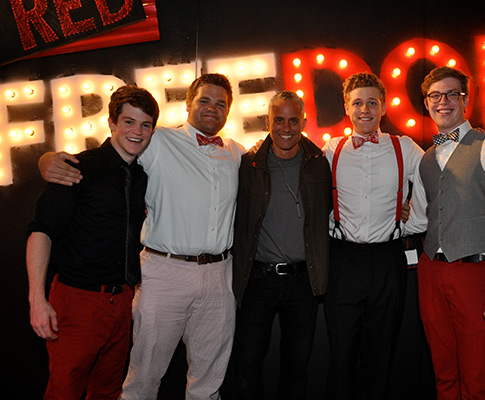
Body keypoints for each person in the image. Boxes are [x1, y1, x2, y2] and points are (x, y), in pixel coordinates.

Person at [38, 73, 245, 400]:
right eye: (204, 100)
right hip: (165, 272)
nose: (212, 108)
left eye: (221, 104)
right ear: (188, 103)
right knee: (143, 377)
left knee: (209, 380)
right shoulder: (157, 140)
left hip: (220, 274)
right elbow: (107, 155)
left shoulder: (236, 153)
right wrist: (47, 159)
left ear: (229, 111)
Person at [26, 85, 159, 399]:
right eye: (129, 122)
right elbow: (41, 231)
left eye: (145, 125)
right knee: (64, 391)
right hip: (77, 301)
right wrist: (36, 299)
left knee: (108, 391)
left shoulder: (143, 176)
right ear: (111, 123)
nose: (137, 131)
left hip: (122, 301)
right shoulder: (78, 168)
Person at [405, 66, 485, 400]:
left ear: (465, 99)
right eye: (435, 95)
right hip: (431, 273)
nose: (443, 101)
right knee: (443, 374)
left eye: (452, 94)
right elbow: (419, 220)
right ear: (426, 103)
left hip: (476, 272)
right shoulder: (425, 159)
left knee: (478, 377)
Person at [321, 72, 424, 399]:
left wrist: (413, 216)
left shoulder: (404, 147)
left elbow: (435, 176)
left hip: (388, 259)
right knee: (341, 353)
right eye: (357, 103)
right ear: (346, 107)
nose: (364, 109)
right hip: (343, 260)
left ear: (383, 107)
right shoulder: (332, 149)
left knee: (381, 352)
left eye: (372, 102)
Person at [229, 90, 331, 399]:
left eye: (293, 121)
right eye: (279, 120)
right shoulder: (247, 164)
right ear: (267, 122)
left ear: (304, 123)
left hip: (303, 281)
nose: (286, 128)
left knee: (296, 367)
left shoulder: (320, 164)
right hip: (257, 280)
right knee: (247, 366)